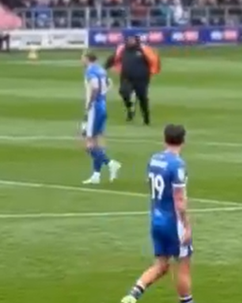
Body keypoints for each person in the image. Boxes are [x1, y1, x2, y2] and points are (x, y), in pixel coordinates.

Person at [121, 124, 193, 303]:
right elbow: (179, 201)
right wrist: (186, 225)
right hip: (173, 222)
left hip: (156, 219)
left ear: (164, 139)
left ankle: (132, 295)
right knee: (183, 266)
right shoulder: (177, 165)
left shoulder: (154, 159)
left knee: (161, 265)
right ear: (183, 141)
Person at [81, 51, 121, 185]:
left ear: (87, 59)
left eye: (82, 57)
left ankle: (110, 163)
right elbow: (109, 84)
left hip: (95, 108)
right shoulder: (102, 70)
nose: (81, 60)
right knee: (97, 142)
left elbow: (95, 87)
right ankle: (96, 175)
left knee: (88, 143)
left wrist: (90, 104)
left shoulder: (90, 71)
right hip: (102, 105)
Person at [107, 35, 160, 124]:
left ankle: (146, 117)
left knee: (142, 98)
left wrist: (151, 72)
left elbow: (154, 60)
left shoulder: (144, 49)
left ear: (137, 41)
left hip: (141, 78)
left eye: (132, 40)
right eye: (129, 40)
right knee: (123, 92)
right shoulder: (122, 49)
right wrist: (105, 67)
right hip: (126, 77)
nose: (130, 42)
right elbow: (113, 58)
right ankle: (130, 109)